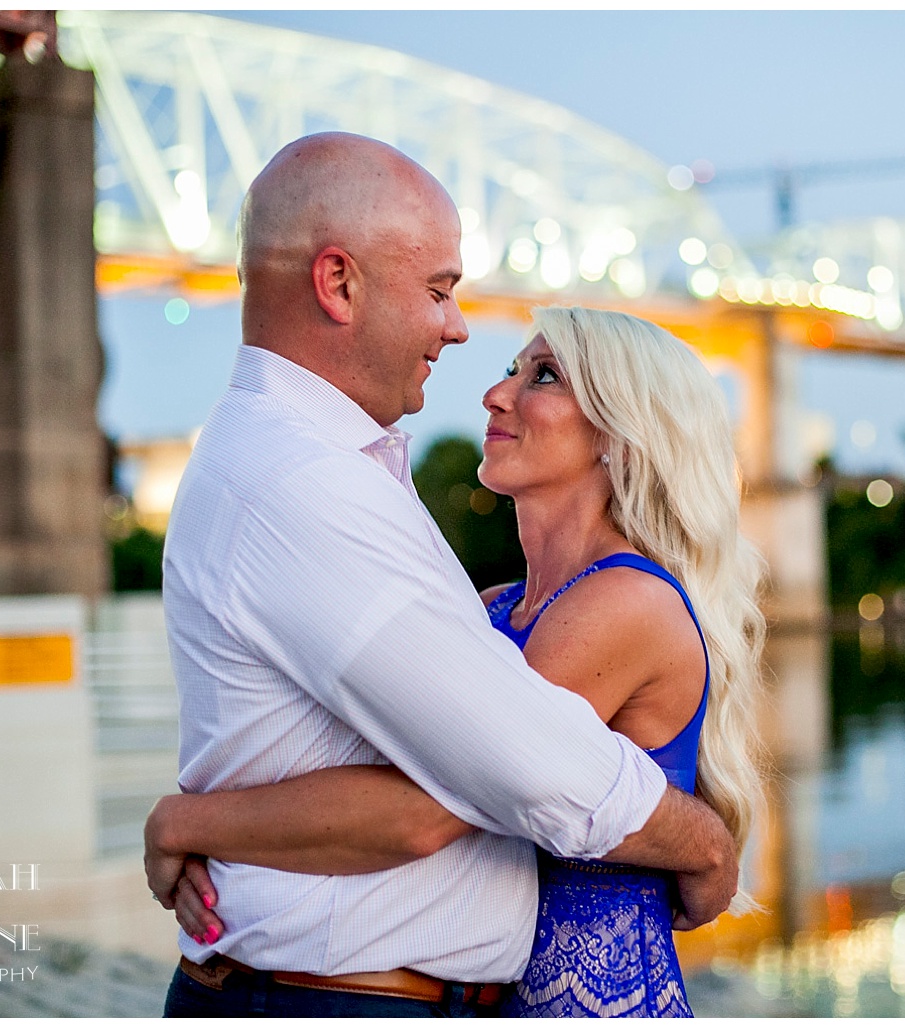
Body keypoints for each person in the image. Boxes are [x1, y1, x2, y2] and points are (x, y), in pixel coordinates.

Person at [150, 132, 741, 1018]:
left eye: (539, 375)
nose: (470, 348)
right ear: (338, 281)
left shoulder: (334, 472)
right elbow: (494, 771)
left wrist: (189, 821)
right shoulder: (310, 484)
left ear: (618, 433)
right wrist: (705, 846)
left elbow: (456, 785)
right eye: (438, 291)